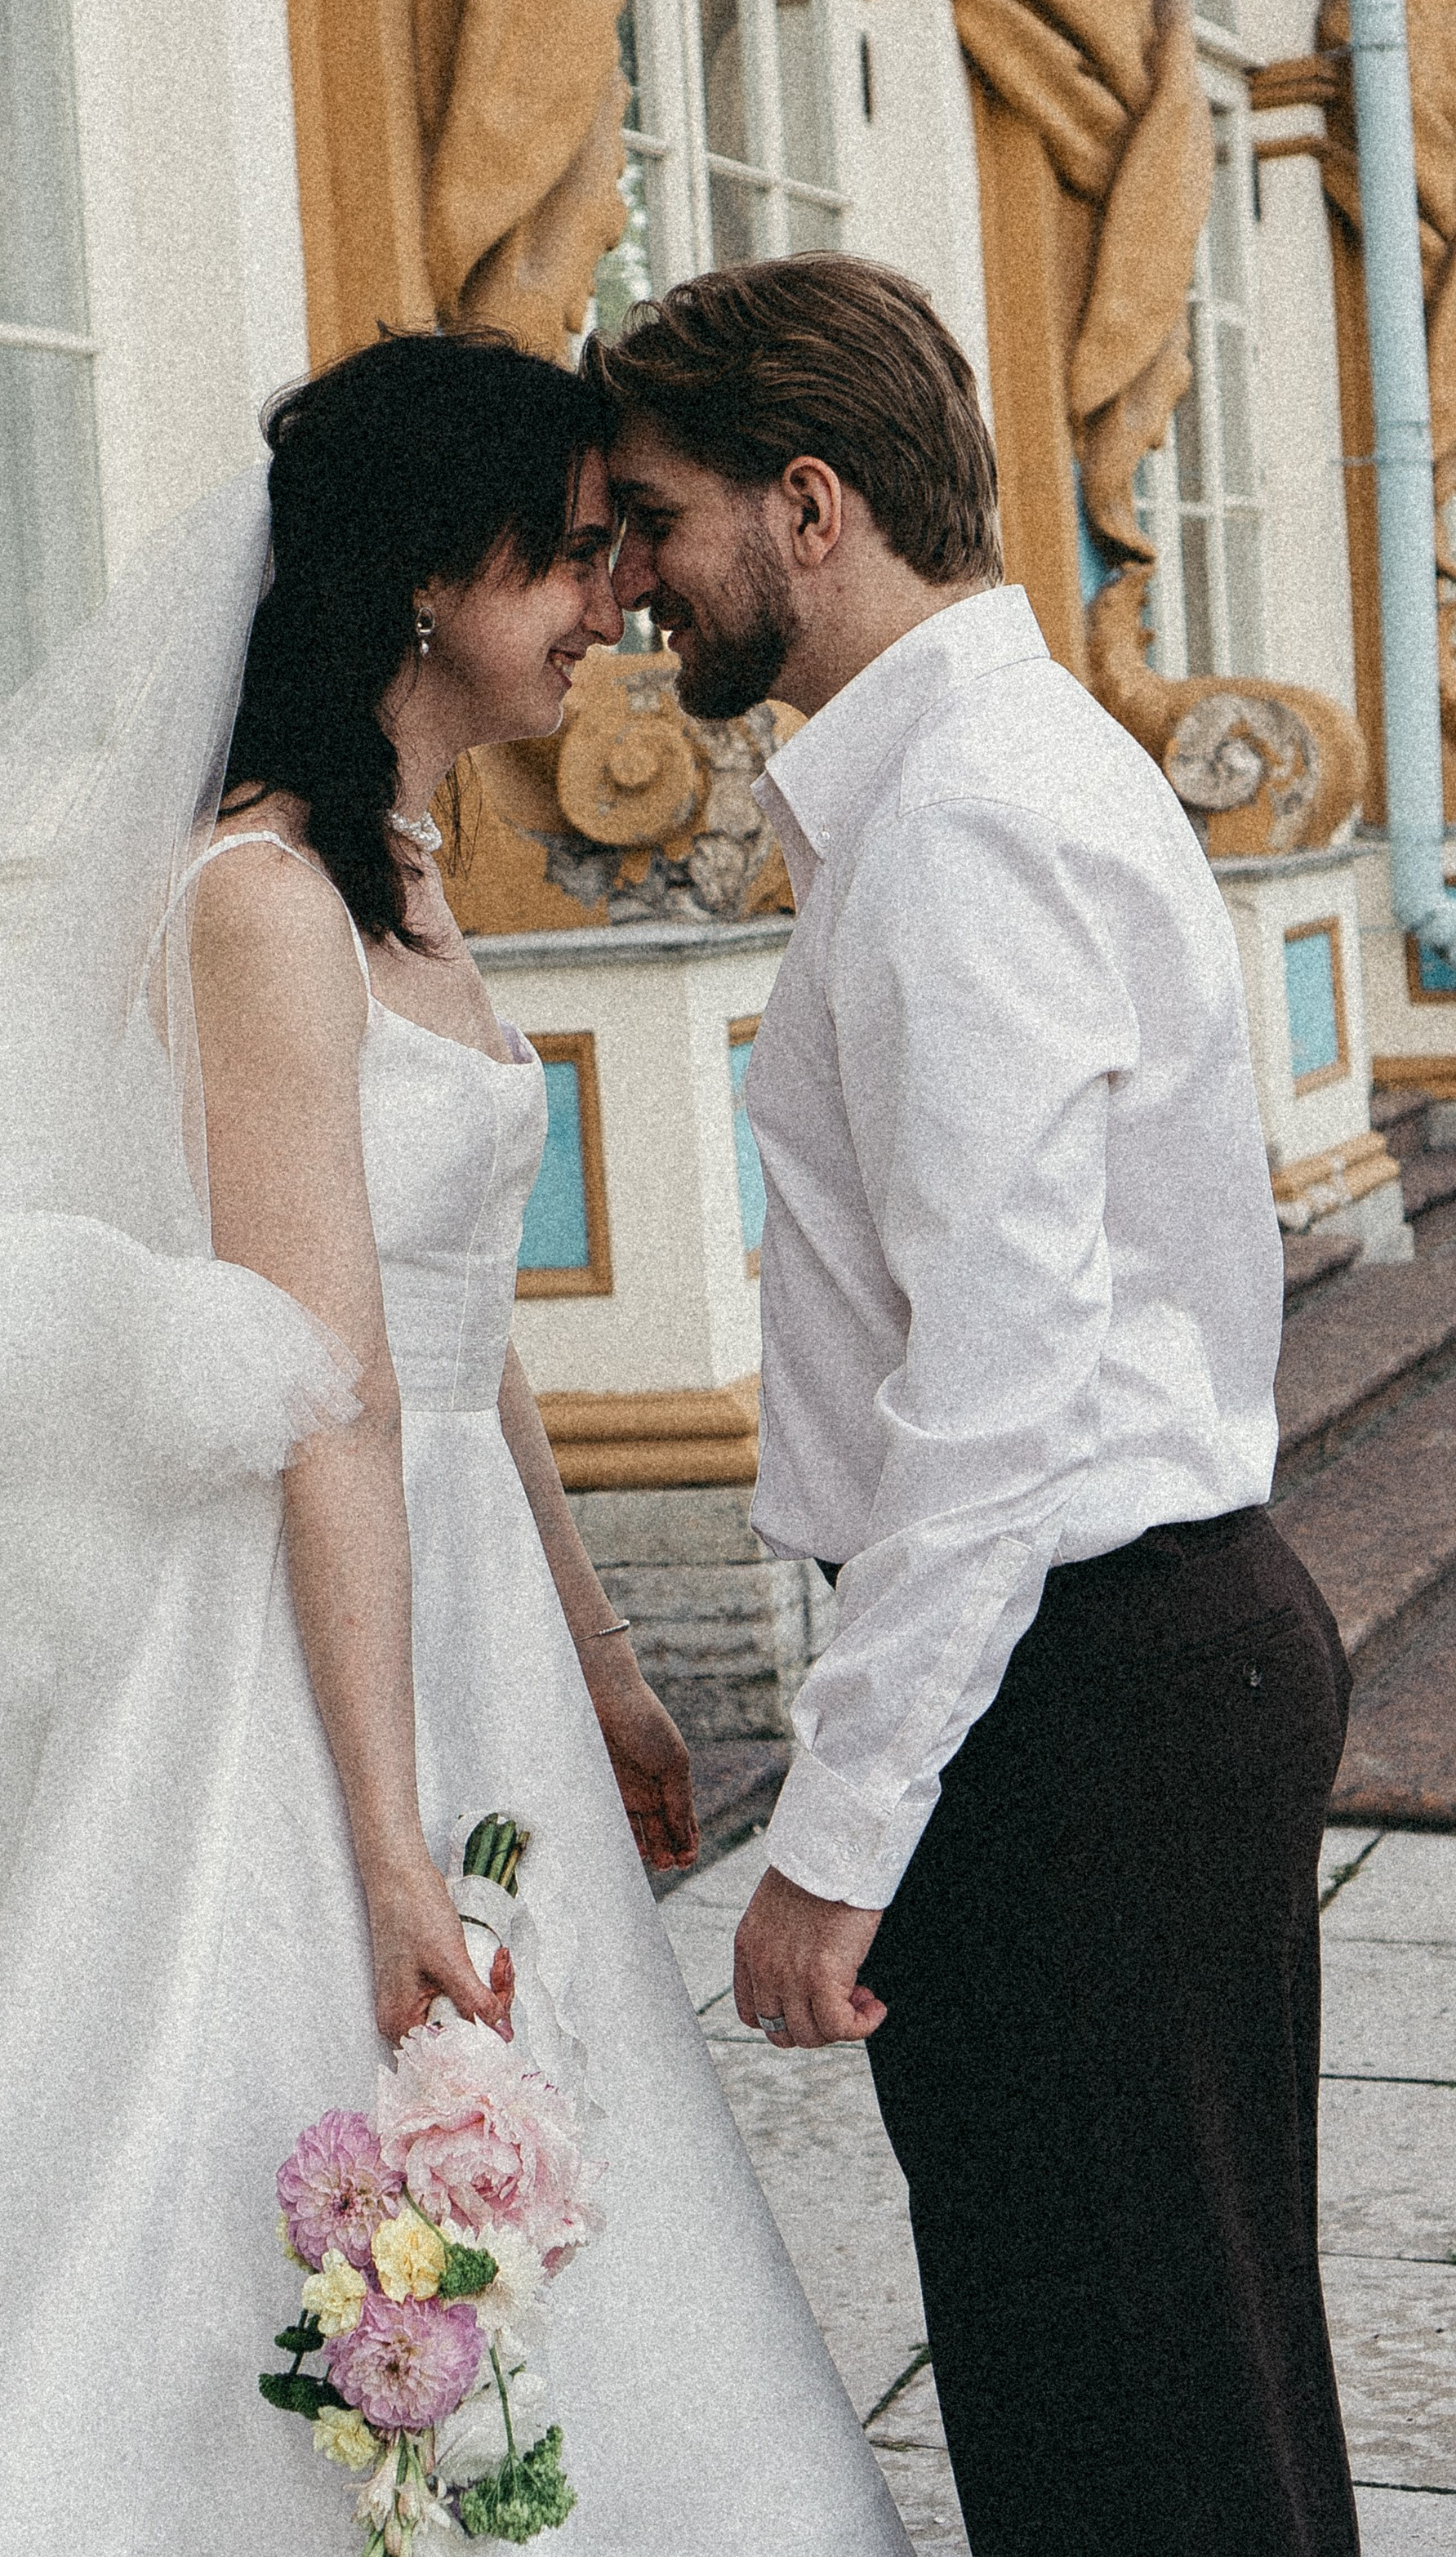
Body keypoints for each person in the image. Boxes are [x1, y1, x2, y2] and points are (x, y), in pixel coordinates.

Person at [0, 330, 914, 2555]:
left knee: (549, 2131)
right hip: (295, 1629)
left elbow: (462, 1338)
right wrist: (391, 1844)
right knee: (267, 2099)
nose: (608, 606)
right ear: (435, 581)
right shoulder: (261, 904)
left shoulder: (414, 886)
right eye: (573, 558)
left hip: (468, 1592)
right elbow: (320, 1395)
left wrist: (604, 1654)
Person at [590, 255, 1360, 2557]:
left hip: (1085, 1688)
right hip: (1115, 1663)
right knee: (1158, 2390)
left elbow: (998, 1388)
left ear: (806, 506)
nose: (630, 583)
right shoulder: (969, 781)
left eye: (655, 519)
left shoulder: (966, 821)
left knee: (1133, 2421)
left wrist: (835, 1838)